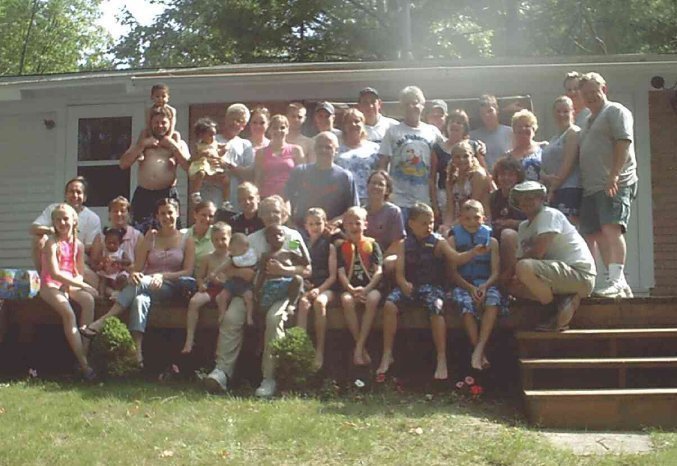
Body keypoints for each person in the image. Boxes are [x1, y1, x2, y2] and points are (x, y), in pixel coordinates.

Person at [206, 196, 311, 397]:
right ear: (260, 216)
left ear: (283, 214)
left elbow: (307, 269)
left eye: (276, 212)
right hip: (252, 292)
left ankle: (270, 378)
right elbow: (233, 265)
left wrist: (284, 270)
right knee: (231, 316)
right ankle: (222, 372)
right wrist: (241, 273)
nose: (272, 216)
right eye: (267, 212)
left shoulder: (292, 237)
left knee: (274, 319)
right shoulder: (252, 239)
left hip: (283, 292)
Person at [377, 203, 487, 381]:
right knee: (390, 304)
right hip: (412, 286)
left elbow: (457, 258)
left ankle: (441, 357)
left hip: (432, 287)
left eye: (431, 222)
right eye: (424, 223)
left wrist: (473, 252)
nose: (428, 226)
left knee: (436, 307)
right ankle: (387, 353)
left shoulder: (439, 242)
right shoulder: (404, 244)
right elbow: (400, 273)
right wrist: (403, 283)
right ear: (411, 224)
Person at [82, 198, 195, 365]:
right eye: (162, 213)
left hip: (172, 286)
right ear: (157, 216)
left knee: (140, 284)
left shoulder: (186, 239)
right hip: (146, 285)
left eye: (170, 212)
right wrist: (134, 274)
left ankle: (103, 320)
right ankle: (137, 354)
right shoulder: (151, 237)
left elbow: (188, 271)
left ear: (177, 213)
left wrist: (161, 276)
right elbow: (138, 267)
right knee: (139, 300)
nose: (167, 217)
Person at [578, 72, 638, 298]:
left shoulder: (615, 111)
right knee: (599, 235)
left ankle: (617, 281)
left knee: (612, 230)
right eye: (586, 93)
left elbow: (623, 143)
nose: (591, 96)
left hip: (613, 183)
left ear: (604, 89)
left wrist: (614, 175)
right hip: (592, 187)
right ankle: (616, 284)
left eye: (594, 91)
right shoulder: (587, 119)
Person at [508, 181, 596, 331]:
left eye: (531, 197)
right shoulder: (523, 227)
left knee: (523, 267)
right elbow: (521, 258)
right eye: (522, 198)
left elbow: (538, 252)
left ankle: (553, 309)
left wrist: (514, 272)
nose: (526, 201)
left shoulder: (549, 214)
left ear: (542, 199)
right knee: (511, 285)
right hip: (556, 275)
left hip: (580, 274)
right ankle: (565, 301)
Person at [39, 203, 98, 380]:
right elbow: (54, 273)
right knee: (69, 313)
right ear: (53, 222)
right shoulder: (51, 243)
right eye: (58, 220)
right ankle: (85, 366)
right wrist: (84, 285)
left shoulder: (78, 245)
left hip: (69, 284)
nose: (62, 223)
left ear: (74, 221)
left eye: (66, 219)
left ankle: (83, 353)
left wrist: (77, 284)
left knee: (88, 301)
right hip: (50, 285)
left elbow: (78, 273)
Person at [448, 200, 504, 371]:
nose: (472, 222)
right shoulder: (453, 240)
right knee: (466, 305)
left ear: (484, 219)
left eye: (476, 218)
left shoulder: (492, 242)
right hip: (464, 284)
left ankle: (479, 348)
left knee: (493, 300)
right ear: (460, 219)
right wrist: (470, 288)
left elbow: (495, 272)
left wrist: (484, 287)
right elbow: (452, 273)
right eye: (467, 218)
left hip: (485, 283)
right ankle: (479, 352)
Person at [378, 85, 444, 221]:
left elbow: (449, 150)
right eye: (406, 104)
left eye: (415, 103)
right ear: (401, 107)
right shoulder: (393, 131)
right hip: (398, 201)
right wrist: (384, 196)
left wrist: (476, 145)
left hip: (424, 200)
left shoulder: (433, 132)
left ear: (422, 105)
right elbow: (383, 165)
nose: (411, 107)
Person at [120, 106, 190, 232]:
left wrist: (173, 147)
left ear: (170, 123)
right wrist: (142, 146)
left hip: (167, 194)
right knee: (140, 234)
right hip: (144, 195)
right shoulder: (142, 141)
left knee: (169, 232)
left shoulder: (177, 142)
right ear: (150, 124)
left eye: (163, 122)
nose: (160, 126)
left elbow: (189, 168)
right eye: (156, 122)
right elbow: (123, 164)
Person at [31, 177, 102, 285]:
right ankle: (44, 281)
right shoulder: (53, 209)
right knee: (38, 239)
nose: (75, 195)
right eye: (71, 191)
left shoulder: (92, 218)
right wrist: (51, 231)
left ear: (85, 197)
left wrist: (68, 246)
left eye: (79, 192)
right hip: (52, 254)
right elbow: (33, 228)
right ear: (65, 195)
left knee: (95, 282)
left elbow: (91, 247)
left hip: (77, 257)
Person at [337, 206, 383, 367]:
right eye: (350, 223)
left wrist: (367, 289)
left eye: (357, 223)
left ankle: (359, 347)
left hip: (370, 288)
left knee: (373, 299)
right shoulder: (342, 247)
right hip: (351, 288)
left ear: (365, 225)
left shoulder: (372, 244)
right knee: (346, 300)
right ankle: (360, 347)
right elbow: (341, 273)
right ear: (344, 226)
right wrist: (350, 289)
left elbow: (378, 271)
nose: (354, 226)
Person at [285, 131, 359, 228]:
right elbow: (285, 199)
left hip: (332, 231)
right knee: (291, 239)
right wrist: (290, 220)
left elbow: (353, 209)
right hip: (301, 229)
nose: (323, 150)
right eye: (320, 147)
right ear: (315, 149)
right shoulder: (300, 172)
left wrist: (337, 221)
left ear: (336, 150)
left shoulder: (345, 177)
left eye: (328, 147)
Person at [181, 221, 232, 354]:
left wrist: (225, 281)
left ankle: (221, 343)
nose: (220, 243)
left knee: (223, 307)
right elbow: (200, 276)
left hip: (227, 291)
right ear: (212, 241)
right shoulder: (207, 258)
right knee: (194, 302)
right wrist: (201, 285)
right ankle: (189, 339)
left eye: (223, 239)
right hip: (211, 288)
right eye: (216, 240)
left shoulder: (233, 258)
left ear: (230, 238)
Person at [296, 208, 337, 370]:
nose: (315, 227)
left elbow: (333, 276)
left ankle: (320, 351)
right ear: (305, 226)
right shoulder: (298, 241)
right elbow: (292, 261)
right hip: (306, 285)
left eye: (318, 223)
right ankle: (300, 350)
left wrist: (319, 290)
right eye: (311, 224)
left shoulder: (330, 245)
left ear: (325, 223)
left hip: (326, 286)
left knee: (319, 303)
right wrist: (303, 282)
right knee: (303, 303)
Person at [431, 109, 487, 221]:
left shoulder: (474, 145)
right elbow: (431, 178)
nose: (455, 124)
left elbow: (485, 173)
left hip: (471, 198)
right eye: (452, 121)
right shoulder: (437, 148)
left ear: (465, 127)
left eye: (459, 122)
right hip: (446, 196)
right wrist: (434, 205)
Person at [203, 103, 254, 211]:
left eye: (239, 121)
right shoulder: (211, 140)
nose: (234, 123)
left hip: (234, 200)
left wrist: (227, 165)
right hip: (211, 196)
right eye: (232, 119)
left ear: (243, 126)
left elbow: (249, 174)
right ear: (226, 119)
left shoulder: (245, 145)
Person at [541, 96, 583, 222]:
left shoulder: (573, 133)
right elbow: (543, 166)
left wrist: (553, 188)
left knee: (567, 228)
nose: (561, 114)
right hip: (554, 190)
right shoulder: (554, 138)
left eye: (565, 111)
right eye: (558, 111)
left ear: (573, 112)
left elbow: (568, 163)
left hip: (569, 189)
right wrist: (546, 177)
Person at [254, 225, 306, 320]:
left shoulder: (289, 253)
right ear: (267, 240)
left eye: (280, 235)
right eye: (273, 235)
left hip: (287, 284)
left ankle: (292, 304)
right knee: (262, 311)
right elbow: (262, 273)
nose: (278, 237)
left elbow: (306, 263)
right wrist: (257, 290)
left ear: (285, 238)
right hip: (272, 285)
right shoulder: (266, 255)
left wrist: (300, 246)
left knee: (298, 279)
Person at [90, 196, 142, 288]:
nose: (119, 214)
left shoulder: (137, 236)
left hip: (128, 278)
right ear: (109, 214)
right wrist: (103, 263)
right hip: (104, 277)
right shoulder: (100, 237)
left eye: (123, 211)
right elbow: (93, 263)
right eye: (115, 211)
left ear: (129, 215)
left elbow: (140, 264)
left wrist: (122, 266)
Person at [441, 140, 492, 229]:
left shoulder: (478, 175)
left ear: (472, 157)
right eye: (457, 157)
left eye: (466, 156)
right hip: (461, 220)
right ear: (452, 159)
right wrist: (446, 226)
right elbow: (450, 210)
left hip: (478, 220)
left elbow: (472, 206)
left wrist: (452, 226)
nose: (461, 160)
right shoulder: (451, 178)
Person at [490, 157, 526, 278]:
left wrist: (511, 223)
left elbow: (534, 222)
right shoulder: (493, 197)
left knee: (508, 234)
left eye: (511, 175)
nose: (506, 178)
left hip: (521, 238)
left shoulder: (525, 196)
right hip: (495, 237)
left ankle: (510, 278)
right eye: (502, 174)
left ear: (518, 177)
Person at [364, 170, 406, 276]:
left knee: (391, 262)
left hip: (386, 256)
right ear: (367, 186)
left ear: (387, 190)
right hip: (365, 255)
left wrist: (379, 261)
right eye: (373, 183)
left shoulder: (394, 212)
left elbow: (398, 242)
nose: (376, 186)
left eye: (381, 184)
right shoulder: (361, 211)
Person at [335, 108, 380, 203]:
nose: (353, 124)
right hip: (344, 200)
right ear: (344, 126)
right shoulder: (336, 150)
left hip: (369, 200)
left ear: (363, 124)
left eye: (357, 121)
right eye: (349, 122)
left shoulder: (375, 148)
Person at [254, 114, 304, 198]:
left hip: (290, 197)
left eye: (282, 127)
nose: (278, 130)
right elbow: (258, 179)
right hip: (267, 196)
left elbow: (302, 177)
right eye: (275, 128)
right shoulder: (261, 152)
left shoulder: (296, 150)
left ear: (287, 130)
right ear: (269, 130)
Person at [214, 232, 257, 327]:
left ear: (245, 248)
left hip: (245, 285)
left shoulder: (250, 257)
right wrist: (215, 273)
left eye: (235, 250)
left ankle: (249, 316)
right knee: (222, 297)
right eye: (232, 250)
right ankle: (222, 313)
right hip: (232, 284)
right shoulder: (232, 258)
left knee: (249, 297)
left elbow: (252, 274)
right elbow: (223, 266)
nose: (233, 252)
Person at [188, 118, 229, 205]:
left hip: (212, 167)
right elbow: (192, 159)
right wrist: (202, 154)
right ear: (201, 135)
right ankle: (195, 192)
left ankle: (225, 200)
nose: (213, 138)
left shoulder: (214, 144)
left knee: (225, 179)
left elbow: (218, 153)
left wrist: (223, 150)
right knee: (201, 173)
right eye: (210, 135)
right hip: (201, 165)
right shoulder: (198, 145)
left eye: (214, 135)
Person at [469, 94, 513, 171]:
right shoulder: (473, 136)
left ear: (497, 110)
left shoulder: (511, 132)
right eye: (483, 113)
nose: (487, 115)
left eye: (490, 111)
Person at [95, 227, 132, 299]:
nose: (111, 245)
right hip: (107, 273)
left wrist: (119, 260)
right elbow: (98, 261)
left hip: (118, 272)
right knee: (103, 280)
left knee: (122, 278)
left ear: (120, 243)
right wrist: (103, 262)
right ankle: (101, 294)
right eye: (109, 243)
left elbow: (129, 261)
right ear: (105, 242)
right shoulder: (104, 252)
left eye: (114, 243)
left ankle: (119, 292)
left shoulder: (121, 252)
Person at [181, 201, 216, 274]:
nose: (207, 219)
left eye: (211, 216)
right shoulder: (183, 235)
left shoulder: (217, 235)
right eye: (203, 215)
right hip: (185, 277)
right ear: (195, 215)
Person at [507, 109, 542, 182]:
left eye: (527, 126)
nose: (523, 129)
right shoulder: (508, 156)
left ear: (533, 129)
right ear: (514, 130)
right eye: (519, 126)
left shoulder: (544, 148)